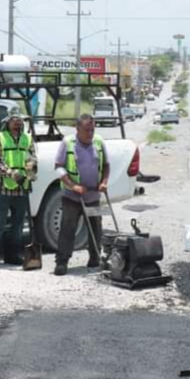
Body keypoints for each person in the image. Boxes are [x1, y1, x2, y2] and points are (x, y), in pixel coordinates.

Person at [53, 114, 109, 276]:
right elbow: (58, 167)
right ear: (77, 129)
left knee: (96, 228)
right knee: (67, 229)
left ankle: (95, 258)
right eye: (86, 130)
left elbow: (106, 165)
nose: (90, 133)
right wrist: (73, 185)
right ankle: (62, 262)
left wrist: (104, 182)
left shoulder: (98, 142)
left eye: (92, 129)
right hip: (72, 196)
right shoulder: (68, 143)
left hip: (92, 196)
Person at [0, 112, 37, 271]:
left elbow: (31, 158)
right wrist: (11, 173)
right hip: (4, 185)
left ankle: (12, 254)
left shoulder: (27, 138)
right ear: (7, 122)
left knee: (18, 224)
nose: (17, 123)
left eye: (20, 120)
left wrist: (31, 174)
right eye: (14, 120)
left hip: (22, 187)